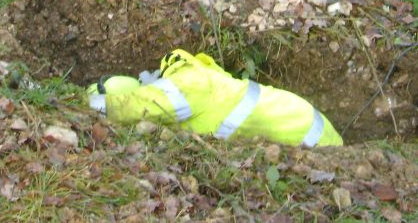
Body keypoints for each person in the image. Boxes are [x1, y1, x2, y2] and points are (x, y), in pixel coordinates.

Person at [87, 48, 343, 148]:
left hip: (312, 138)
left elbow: (137, 106)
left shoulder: (186, 85)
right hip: (303, 120)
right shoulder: (197, 75)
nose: (144, 77)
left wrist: (87, 105)